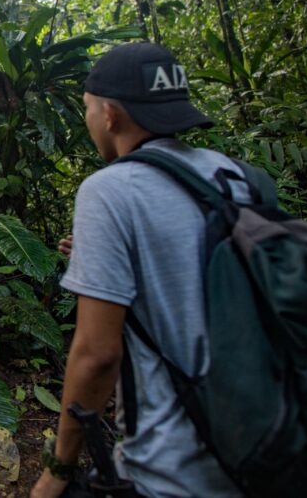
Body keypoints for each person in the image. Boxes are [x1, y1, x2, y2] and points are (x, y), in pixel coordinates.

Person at [30, 42, 246, 498]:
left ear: (109, 115)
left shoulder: (110, 190)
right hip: (263, 442)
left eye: (87, 109)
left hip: (171, 466)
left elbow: (98, 353)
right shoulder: (231, 175)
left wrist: (57, 469)